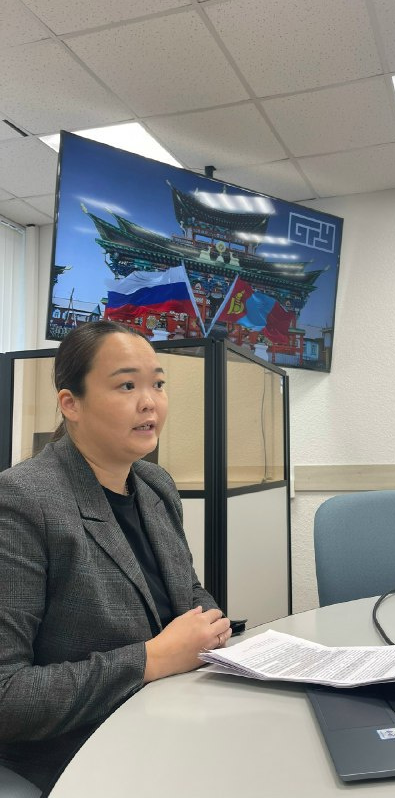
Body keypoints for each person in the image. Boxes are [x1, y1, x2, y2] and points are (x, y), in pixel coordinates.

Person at [0, 321, 231, 794]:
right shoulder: (22, 501)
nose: (150, 403)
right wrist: (150, 659)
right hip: (81, 753)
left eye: (158, 384)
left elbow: (186, 591)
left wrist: (211, 629)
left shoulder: (154, 484)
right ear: (71, 404)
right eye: (127, 386)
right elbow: (8, 696)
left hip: (174, 719)